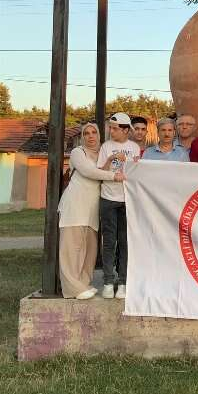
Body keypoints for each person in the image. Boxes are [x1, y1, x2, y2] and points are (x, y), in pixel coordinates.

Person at [58, 123, 124, 300]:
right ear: (82, 137)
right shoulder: (78, 152)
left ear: (99, 135)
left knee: (89, 249)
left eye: (94, 132)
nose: (90, 136)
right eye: (86, 133)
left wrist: (111, 161)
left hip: (93, 207)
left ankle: (84, 284)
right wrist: (113, 176)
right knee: (72, 248)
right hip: (75, 204)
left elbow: (103, 170)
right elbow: (89, 171)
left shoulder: (102, 153)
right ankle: (72, 288)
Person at [97, 113, 141, 300]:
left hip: (128, 200)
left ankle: (122, 282)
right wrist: (111, 159)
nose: (111, 131)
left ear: (125, 130)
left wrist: (135, 164)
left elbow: (137, 173)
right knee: (109, 241)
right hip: (108, 198)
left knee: (124, 241)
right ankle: (108, 281)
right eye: (110, 127)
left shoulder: (134, 147)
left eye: (115, 128)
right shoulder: (106, 146)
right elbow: (100, 171)